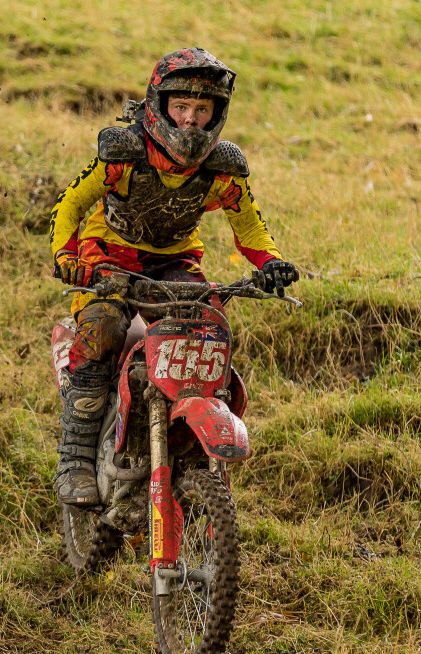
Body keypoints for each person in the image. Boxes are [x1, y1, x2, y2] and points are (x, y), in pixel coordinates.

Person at [48, 47, 299, 506]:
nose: (190, 120)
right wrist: (67, 255)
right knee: (101, 329)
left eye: (202, 110)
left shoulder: (223, 168)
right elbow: (71, 204)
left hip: (175, 262)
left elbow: (250, 227)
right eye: (181, 106)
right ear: (159, 105)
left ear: (217, 113)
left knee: (208, 330)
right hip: (109, 255)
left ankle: (188, 447)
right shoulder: (124, 153)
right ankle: (75, 459)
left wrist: (271, 263)